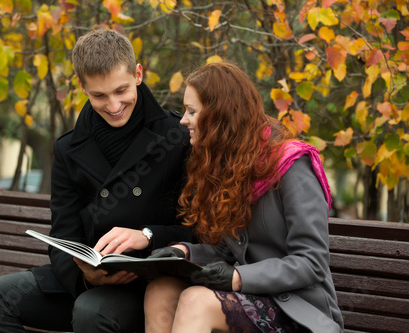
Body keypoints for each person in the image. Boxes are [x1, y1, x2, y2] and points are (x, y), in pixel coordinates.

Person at [0, 29, 194, 333]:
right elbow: (63, 233)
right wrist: (86, 277)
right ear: (82, 86)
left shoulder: (177, 137)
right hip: (86, 283)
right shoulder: (68, 148)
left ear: (138, 74)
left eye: (121, 90)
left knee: (92, 312)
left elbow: (200, 231)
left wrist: (148, 235)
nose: (113, 106)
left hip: (152, 288)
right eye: (99, 95)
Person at [143, 62, 344, 333]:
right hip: (253, 298)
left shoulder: (292, 164)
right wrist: (183, 252)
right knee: (160, 290)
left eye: (192, 111)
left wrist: (238, 277)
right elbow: (229, 251)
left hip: (299, 311)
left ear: (219, 116)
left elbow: (311, 262)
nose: (183, 120)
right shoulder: (226, 165)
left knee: (195, 301)